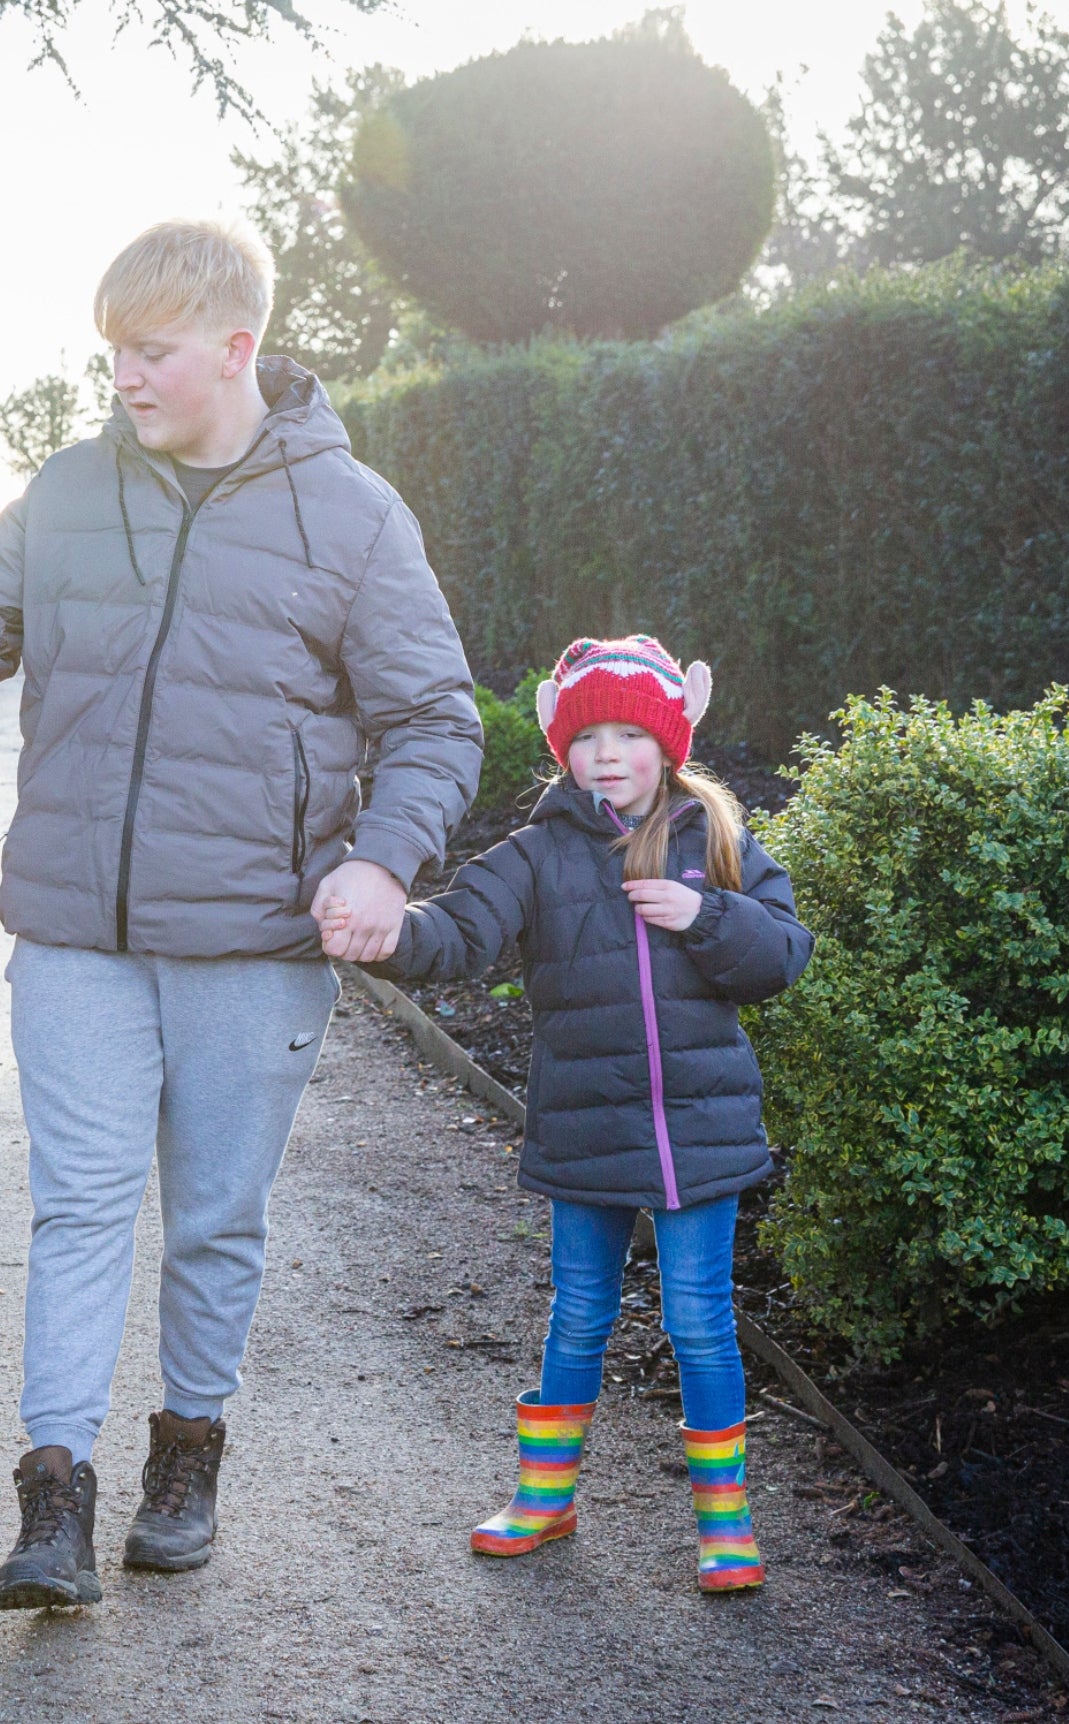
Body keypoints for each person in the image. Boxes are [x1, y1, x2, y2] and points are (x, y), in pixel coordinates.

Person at [0, 218, 485, 1608]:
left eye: (150, 352)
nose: (122, 375)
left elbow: (433, 719)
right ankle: (52, 1499)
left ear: (236, 349)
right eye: (111, 350)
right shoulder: (66, 493)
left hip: (250, 946)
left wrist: (384, 861)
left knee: (218, 1218)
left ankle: (188, 1455)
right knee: (80, 1208)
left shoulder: (351, 515)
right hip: (75, 934)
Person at [344, 635, 811, 1592]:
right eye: (587, 733)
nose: (607, 752)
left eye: (629, 733)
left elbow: (783, 955)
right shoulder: (536, 855)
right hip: (587, 1125)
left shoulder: (717, 842)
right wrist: (389, 932)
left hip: (700, 1135)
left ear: (668, 742)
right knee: (580, 1314)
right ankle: (544, 1498)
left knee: (701, 1322)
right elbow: (458, 932)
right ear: (564, 748)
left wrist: (707, 917)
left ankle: (726, 1523)